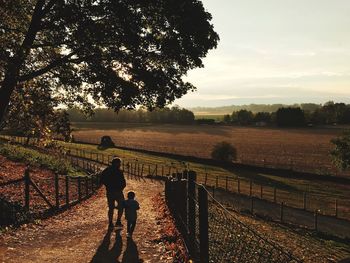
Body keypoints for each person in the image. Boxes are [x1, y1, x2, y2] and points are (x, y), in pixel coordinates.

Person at [100, 157, 126, 228]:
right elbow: (123, 182)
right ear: (117, 163)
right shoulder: (119, 171)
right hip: (118, 191)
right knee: (121, 207)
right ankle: (118, 221)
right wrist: (121, 188)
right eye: (119, 163)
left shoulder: (107, 170)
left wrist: (107, 186)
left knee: (111, 208)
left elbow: (102, 179)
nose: (120, 164)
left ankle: (111, 222)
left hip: (110, 191)